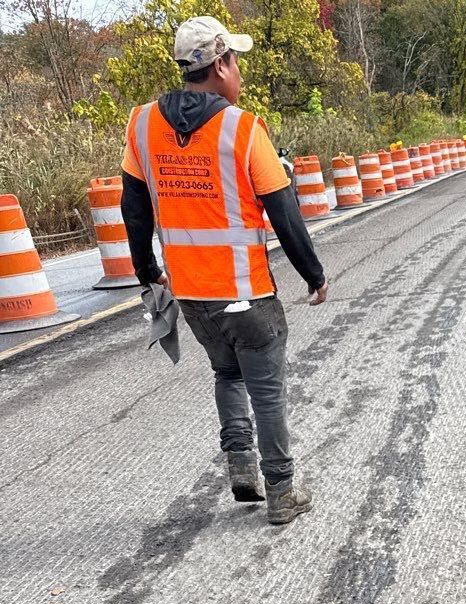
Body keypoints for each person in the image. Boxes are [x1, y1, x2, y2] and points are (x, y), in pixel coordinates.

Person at [120, 16, 327, 526]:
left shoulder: (142, 123)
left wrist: (149, 271)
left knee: (226, 372)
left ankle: (240, 465)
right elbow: (283, 211)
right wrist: (314, 274)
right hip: (248, 294)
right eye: (235, 61)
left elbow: (134, 207)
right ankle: (280, 492)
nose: (239, 73)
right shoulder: (243, 127)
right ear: (220, 64)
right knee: (268, 388)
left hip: (192, 295)